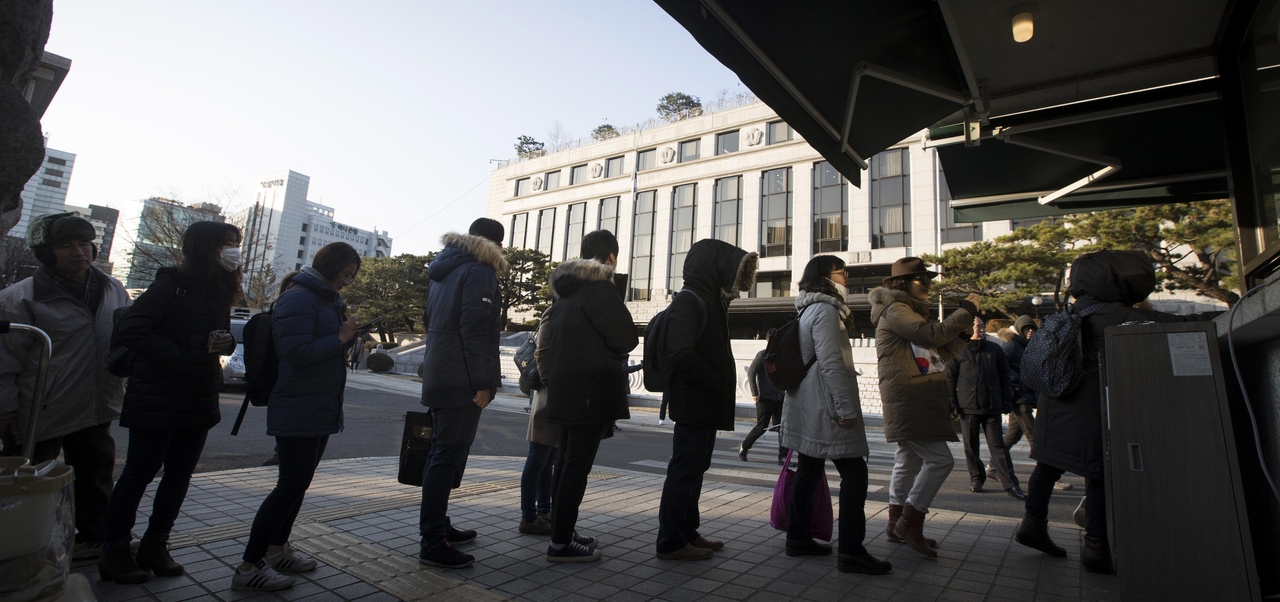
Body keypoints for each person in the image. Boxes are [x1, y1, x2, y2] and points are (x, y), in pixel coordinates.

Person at [1015, 250, 1212, 574]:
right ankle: (1095, 544)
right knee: (1100, 470)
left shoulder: (1067, 314)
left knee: (1047, 465)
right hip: (1092, 407)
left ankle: (1032, 524)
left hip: (1056, 402)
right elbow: (1184, 325)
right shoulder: (1117, 315)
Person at [99, 221, 241, 583]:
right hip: (158, 397)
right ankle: (115, 550)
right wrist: (180, 357)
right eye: (226, 243)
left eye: (236, 243)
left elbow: (214, 337)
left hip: (198, 396)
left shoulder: (220, 288)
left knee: (179, 477)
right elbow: (133, 328)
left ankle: (155, 544)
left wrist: (227, 345)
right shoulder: (171, 284)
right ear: (204, 247)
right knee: (138, 475)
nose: (233, 250)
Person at [0, 213, 130, 565]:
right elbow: (4, 363)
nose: (78, 252)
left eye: (84, 243)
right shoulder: (20, 297)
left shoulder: (112, 288)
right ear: (45, 252)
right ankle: (21, 546)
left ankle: (94, 539)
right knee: (26, 481)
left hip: (95, 404)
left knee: (95, 476)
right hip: (39, 410)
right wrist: (5, 410)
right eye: (66, 245)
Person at [232, 242, 363, 592]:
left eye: (353, 274)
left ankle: (276, 550)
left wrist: (345, 337)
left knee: (298, 484)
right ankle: (249, 565)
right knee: (288, 486)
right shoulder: (299, 298)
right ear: (330, 265)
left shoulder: (325, 298)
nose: (348, 280)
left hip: (317, 404)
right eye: (346, 272)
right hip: (298, 404)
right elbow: (296, 353)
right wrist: (340, 336)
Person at [779, 255, 892, 575]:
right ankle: (852, 551)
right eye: (840, 272)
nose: (846, 277)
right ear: (825, 278)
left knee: (809, 470)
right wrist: (845, 409)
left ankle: (797, 538)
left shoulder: (807, 308)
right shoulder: (826, 311)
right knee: (855, 474)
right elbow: (832, 363)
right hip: (827, 406)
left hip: (809, 402)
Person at [538, 230, 638, 562]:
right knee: (575, 469)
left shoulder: (566, 292)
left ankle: (561, 531)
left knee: (564, 464)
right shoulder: (600, 290)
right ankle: (561, 545)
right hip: (589, 392)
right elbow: (626, 338)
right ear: (610, 257)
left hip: (565, 390)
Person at [868, 257, 977, 559]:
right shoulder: (896, 309)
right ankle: (909, 522)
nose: (927, 284)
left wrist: (963, 336)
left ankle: (895, 523)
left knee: (908, 460)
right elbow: (931, 336)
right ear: (901, 284)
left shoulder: (907, 312)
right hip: (910, 398)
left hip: (915, 396)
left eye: (928, 279)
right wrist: (965, 312)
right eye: (921, 279)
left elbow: (936, 354)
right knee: (941, 461)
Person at [656, 239, 757, 561]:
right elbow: (680, 352)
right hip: (694, 400)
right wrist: (715, 380)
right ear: (714, 267)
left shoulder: (709, 300)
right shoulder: (691, 300)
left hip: (703, 401)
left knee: (696, 467)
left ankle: (688, 531)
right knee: (685, 468)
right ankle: (671, 541)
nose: (733, 276)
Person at [417, 218, 508, 569]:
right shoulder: (480, 271)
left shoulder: (444, 270)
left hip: (442, 371)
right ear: (494, 243)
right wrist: (484, 380)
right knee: (446, 457)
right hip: (462, 378)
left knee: (442, 454)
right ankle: (432, 541)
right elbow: (474, 329)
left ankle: (438, 526)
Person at [946, 320, 1026, 499]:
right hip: (967, 406)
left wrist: (1007, 400)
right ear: (967, 329)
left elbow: (1005, 376)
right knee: (971, 446)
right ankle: (976, 478)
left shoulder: (994, 349)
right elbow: (950, 378)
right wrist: (953, 403)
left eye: (982, 327)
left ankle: (1011, 484)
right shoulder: (958, 350)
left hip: (992, 405)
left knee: (998, 446)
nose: (980, 330)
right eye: (976, 327)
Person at [518, 318, 557, 536]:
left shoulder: (563, 310)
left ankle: (544, 511)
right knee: (537, 460)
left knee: (548, 460)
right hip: (548, 397)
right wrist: (552, 383)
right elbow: (541, 353)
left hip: (557, 397)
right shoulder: (552, 314)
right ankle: (528, 517)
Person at [742, 328, 786, 464]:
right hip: (765, 398)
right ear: (767, 341)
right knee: (761, 427)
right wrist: (755, 393)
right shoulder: (762, 355)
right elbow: (751, 373)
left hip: (779, 397)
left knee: (783, 428)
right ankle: (744, 446)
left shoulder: (781, 356)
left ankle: (782, 457)